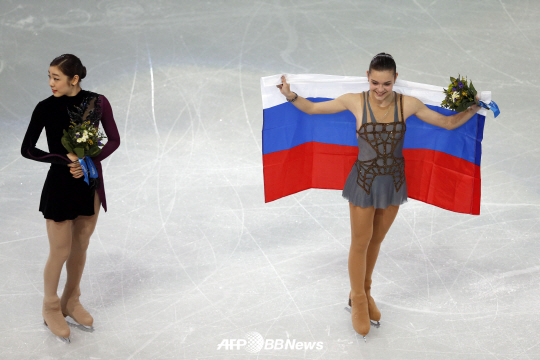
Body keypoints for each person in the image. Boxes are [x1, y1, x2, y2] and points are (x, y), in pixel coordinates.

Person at [277, 53, 481, 339]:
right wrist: (290, 95)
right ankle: (358, 300)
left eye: (386, 83)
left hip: (394, 183)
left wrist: (472, 109)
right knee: (360, 242)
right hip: (364, 181)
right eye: (375, 82)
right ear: (368, 77)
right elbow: (312, 109)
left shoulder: (408, 104)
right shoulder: (354, 101)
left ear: (395, 79)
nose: (380, 89)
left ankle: (365, 290)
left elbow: (446, 124)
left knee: (377, 239)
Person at [21, 54, 120, 342]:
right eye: (49, 76)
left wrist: (88, 159)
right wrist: (65, 161)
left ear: (74, 79)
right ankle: (50, 306)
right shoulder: (44, 108)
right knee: (60, 251)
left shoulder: (97, 102)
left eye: (56, 77)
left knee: (80, 247)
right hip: (61, 186)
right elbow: (28, 149)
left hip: (89, 183)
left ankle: (71, 299)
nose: (50, 82)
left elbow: (113, 139)